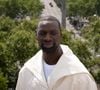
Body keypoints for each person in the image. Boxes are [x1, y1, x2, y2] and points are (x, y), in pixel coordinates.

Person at [16, 16, 97, 90]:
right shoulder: (26, 72)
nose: (47, 38)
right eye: (42, 33)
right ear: (36, 36)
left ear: (61, 35)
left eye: (53, 33)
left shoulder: (80, 75)